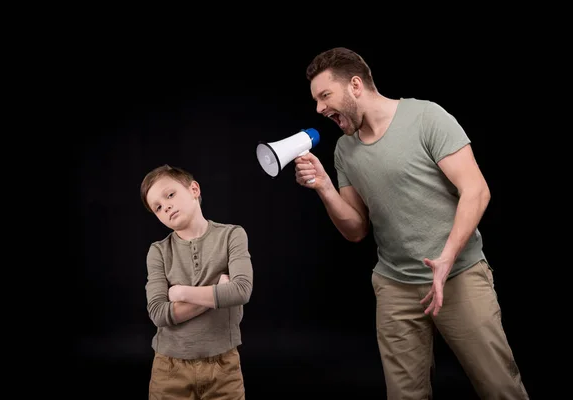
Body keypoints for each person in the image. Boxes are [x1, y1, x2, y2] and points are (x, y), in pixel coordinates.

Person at [294, 47, 528, 399]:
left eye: (325, 95)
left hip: (458, 276)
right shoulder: (345, 150)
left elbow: (476, 191)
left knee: (500, 387)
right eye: (316, 100)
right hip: (395, 287)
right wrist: (325, 187)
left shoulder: (426, 117)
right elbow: (356, 229)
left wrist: (446, 258)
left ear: (355, 85)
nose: (319, 109)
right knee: (405, 395)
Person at [140, 164, 253, 400]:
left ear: (194, 189)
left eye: (170, 194)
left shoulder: (232, 235)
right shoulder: (158, 252)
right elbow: (159, 313)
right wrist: (218, 295)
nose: (166, 206)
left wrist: (181, 293)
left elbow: (241, 290)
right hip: (169, 369)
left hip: (224, 367)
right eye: (158, 207)